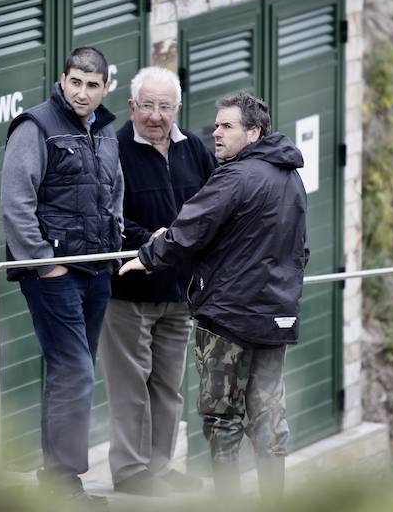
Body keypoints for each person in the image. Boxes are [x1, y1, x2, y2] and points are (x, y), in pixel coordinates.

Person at [118, 91, 309, 501]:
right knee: (269, 416)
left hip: (229, 318)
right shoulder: (289, 176)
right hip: (277, 316)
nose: (216, 134)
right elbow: (300, 249)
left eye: (227, 127)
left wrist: (147, 257)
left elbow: (189, 228)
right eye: (216, 125)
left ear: (253, 132)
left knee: (223, 420)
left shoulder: (235, 177)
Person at [1, 46, 123, 506]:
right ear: (62, 80)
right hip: (54, 273)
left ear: (105, 88)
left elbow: (115, 194)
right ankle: (62, 483)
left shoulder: (107, 131)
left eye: (93, 85)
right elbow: (16, 200)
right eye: (76, 82)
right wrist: (43, 263)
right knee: (74, 371)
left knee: (74, 371)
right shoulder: (36, 127)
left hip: (98, 269)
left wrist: (112, 254)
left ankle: (59, 479)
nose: (83, 93)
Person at [99, 67, 215, 497]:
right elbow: (109, 217)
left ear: (177, 109)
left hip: (179, 293)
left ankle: (161, 467)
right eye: (146, 105)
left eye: (164, 107)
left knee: (167, 386)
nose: (155, 115)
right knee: (130, 386)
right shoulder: (114, 150)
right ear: (131, 107)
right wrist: (150, 242)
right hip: (128, 292)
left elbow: (211, 206)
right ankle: (130, 471)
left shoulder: (195, 151)